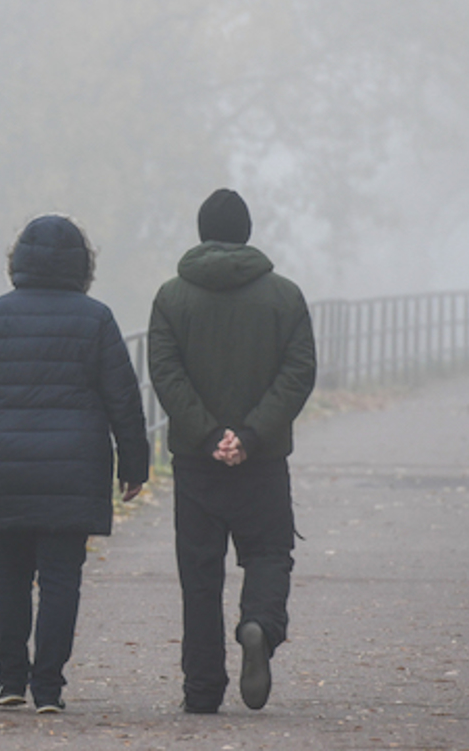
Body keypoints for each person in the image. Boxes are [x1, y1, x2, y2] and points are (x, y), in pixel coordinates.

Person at [0, 214, 150, 715]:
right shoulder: (96, 319)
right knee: (61, 578)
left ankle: (10, 679)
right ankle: (49, 688)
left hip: (7, 465)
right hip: (73, 468)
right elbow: (123, 400)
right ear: (83, 264)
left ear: (18, 260)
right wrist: (134, 465)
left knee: (10, 574)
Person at [147, 188, 316, 714]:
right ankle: (258, 624)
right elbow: (298, 373)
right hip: (262, 461)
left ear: (202, 233)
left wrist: (208, 435)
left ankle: (202, 689)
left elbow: (166, 375)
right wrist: (250, 435)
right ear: (246, 233)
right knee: (268, 553)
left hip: (197, 464)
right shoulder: (284, 297)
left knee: (199, 574)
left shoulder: (171, 298)